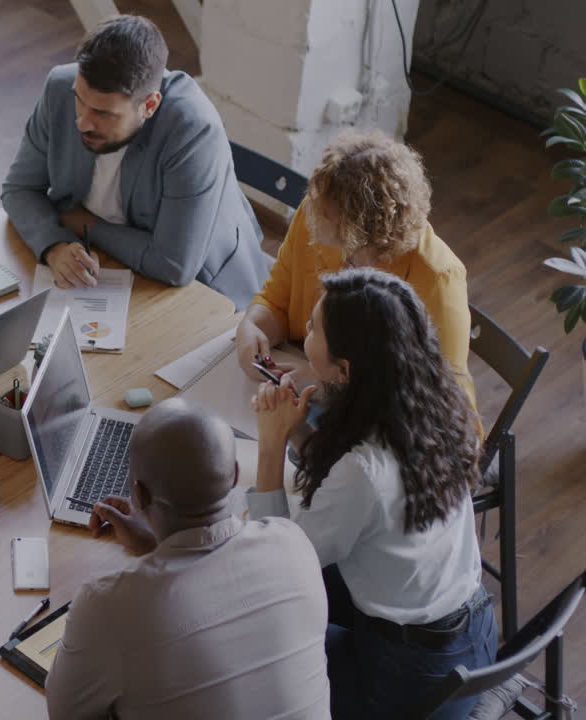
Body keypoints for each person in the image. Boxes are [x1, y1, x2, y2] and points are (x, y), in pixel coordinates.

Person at [249, 268, 496, 719]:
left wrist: (270, 447)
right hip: (472, 631)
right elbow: (374, 498)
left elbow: (278, 563)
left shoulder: (363, 471)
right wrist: (298, 432)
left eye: (311, 329)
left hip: (411, 677)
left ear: (344, 370)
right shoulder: (433, 405)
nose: (303, 332)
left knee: (255, 627)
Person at [45, 398, 329, 719]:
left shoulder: (107, 606)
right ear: (234, 475)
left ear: (139, 495)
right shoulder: (292, 542)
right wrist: (157, 547)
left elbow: (64, 713)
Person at [1, 14, 269, 309]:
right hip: (107, 267)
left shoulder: (193, 130)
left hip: (206, 291)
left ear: (149, 105)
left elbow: (173, 265)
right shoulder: (60, 88)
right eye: (80, 100)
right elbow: (19, 189)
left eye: (104, 113)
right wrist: (54, 245)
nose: (82, 122)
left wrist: (86, 224)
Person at [235, 130, 475, 410]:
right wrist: (252, 326)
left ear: (362, 231)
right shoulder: (317, 213)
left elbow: (436, 402)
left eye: (328, 220)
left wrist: (330, 381)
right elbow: (276, 301)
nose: (311, 217)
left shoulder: (437, 278)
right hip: (300, 383)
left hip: (379, 424)